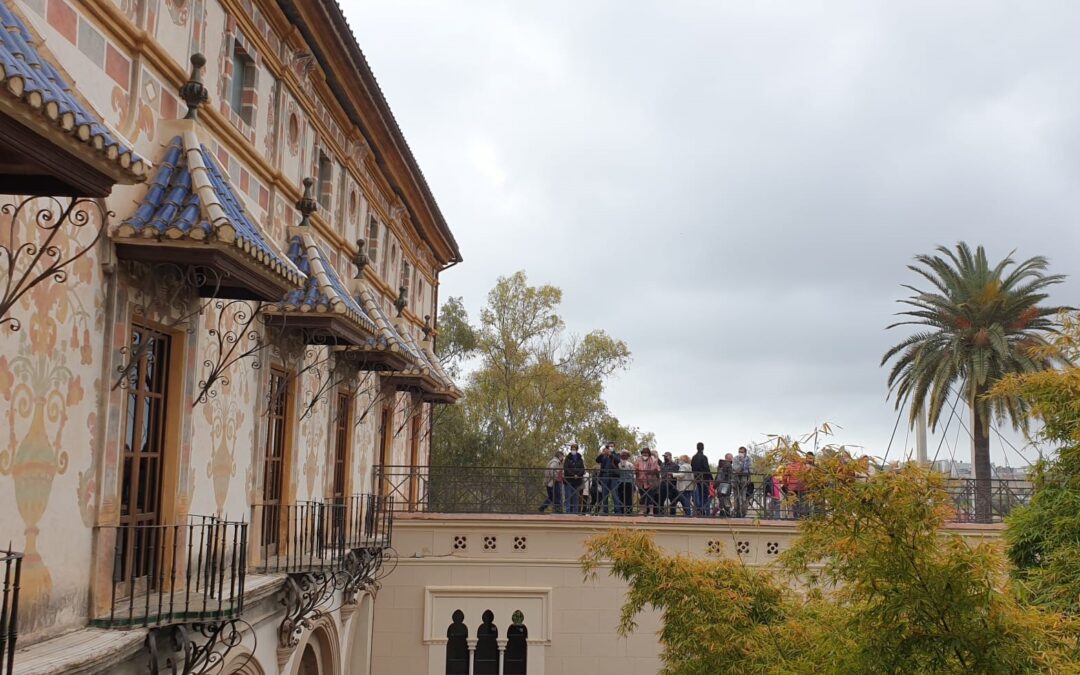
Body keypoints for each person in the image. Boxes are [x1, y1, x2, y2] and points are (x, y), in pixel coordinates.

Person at [594, 443, 621, 515]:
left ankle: (617, 511)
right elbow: (597, 460)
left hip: (614, 477)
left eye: (612, 446)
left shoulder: (616, 454)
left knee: (615, 495)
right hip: (604, 476)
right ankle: (605, 511)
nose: (611, 447)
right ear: (607, 447)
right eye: (610, 446)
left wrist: (610, 454)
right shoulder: (604, 455)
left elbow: (618, 460)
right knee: (604, 495)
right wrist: (602, 453)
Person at [634, 447, 661, 515]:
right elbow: (635, 468)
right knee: (642, 496)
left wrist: (652, 472)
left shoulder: (653, 460)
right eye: (643, 454)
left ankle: (651, 512)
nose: (644, 455)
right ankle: (641, 511)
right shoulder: (638, 460)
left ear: (649, 454)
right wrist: (636, 471)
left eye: (646, 454)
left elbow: (657, 469)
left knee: (650, 496)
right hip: (641, 482)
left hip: (650, 482)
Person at [690, 442, 712, 516]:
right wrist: (711, 478)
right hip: (704, 479)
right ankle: (702, 511)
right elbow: (707, 468)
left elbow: (692, 468)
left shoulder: (694, 457)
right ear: (703, 448)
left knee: (697, 495)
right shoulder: (704, 457)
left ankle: (698, 510)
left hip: (696, 479)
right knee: (704, 496)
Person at [562, 444, 585, 514]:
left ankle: (575, 512)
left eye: (574, 449)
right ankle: (568, 512)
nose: (573, 450)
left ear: (577, 449)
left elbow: (582, 469)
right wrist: (573, 475)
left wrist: (578, 475)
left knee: (576, 497)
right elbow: (566, 468)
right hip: (568, 480)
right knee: (568, 496)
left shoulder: (580, 459)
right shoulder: (567, 458)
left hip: (577, 481)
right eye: (572, 449)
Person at [731, 446, 752, 517]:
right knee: (736, 497)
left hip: (744, 479)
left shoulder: (748, 459)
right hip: (735, 479)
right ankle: (736, 512)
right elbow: (736, 469)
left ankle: (743, 512)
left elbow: (750, 469)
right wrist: (741, 463)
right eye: (739, 452)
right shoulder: (735, 458)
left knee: (743, 497)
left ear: (745, 452)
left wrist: (749, 477)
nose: (740, 453)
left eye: (742, 452)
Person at [659, 451, 680, 515]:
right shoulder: (662, 464)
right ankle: (661, 513)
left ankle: (672, 514)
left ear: (670, 457)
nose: (665, 458)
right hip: (663, 483)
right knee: (661, 499)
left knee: (673, 501)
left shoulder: (675, 465)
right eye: (664, 456)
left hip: (672, 484)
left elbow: (674, 474)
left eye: (666, 456)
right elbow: (661, 472)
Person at [714, 453, 733, 517]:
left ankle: (719, 512)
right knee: (726, 499)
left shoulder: (720, 465)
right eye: (731, 457)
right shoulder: (728, 465)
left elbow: (718, 476)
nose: (732, 459)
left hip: (719, 484)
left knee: (721, 499)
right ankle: (726, 513)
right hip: (726, 484)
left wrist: (715, 485)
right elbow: (730, 476)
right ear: (728, 458)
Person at [617, 450, 635, 514]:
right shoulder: (618, 464)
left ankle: (629, 512)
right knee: (620, 497)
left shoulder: (630, 464)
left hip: (629, 483)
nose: (624, 456)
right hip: (620, 483)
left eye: (625, 455)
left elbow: (633, 474)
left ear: (628, 456)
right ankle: (621, 512)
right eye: (622, 455)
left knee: (629, 498)